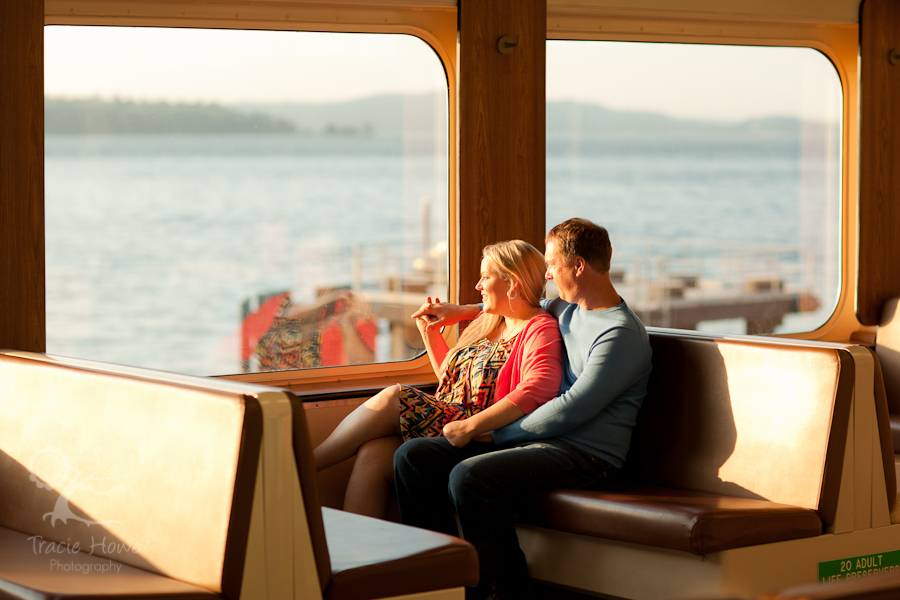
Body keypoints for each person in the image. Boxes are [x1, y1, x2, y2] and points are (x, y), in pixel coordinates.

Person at [396, 218, 653, 600]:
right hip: (541, 440)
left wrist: (488, 432)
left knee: (469, 478)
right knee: (413, 458)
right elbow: (519, 303)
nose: (546, 274)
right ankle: (441, 577)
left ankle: (500, 589)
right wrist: (457, 312)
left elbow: (570, 410)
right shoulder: (567, 309)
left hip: (586, 455)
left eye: (552, 264)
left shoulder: (620, 334)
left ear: (578, 266)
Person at [313, 240, 564, 518]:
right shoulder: (492, 320)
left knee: (395, 397)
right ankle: (361, 555)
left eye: (485, 277)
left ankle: (307, 462)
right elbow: (452, 379)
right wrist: (430, 334)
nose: (478, 286)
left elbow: (539, 387)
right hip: (450, 415)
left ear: (512, 283)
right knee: (374, 454)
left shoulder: (540, 329)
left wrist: (471, 426)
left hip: (480, 430)